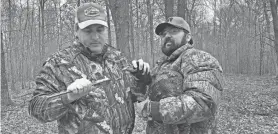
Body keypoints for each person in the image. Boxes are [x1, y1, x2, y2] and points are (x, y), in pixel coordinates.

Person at [28, 3, 151, 134]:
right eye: (88, 31)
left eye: (99, 30)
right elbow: (36, 108)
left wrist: (142, 79)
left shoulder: (117, 57)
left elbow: (135, 96)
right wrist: (68, 97)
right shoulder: (58, 63)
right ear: (76, 30)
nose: (95, 37)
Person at [136, 16, 224, 134]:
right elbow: (149, 97)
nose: (167, 36)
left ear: (188, 37)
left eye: (174, 31)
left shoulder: (199, 58)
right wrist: (143, 79)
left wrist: (156, 110)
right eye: (163, 34)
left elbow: (204, 103)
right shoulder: (161, 65)